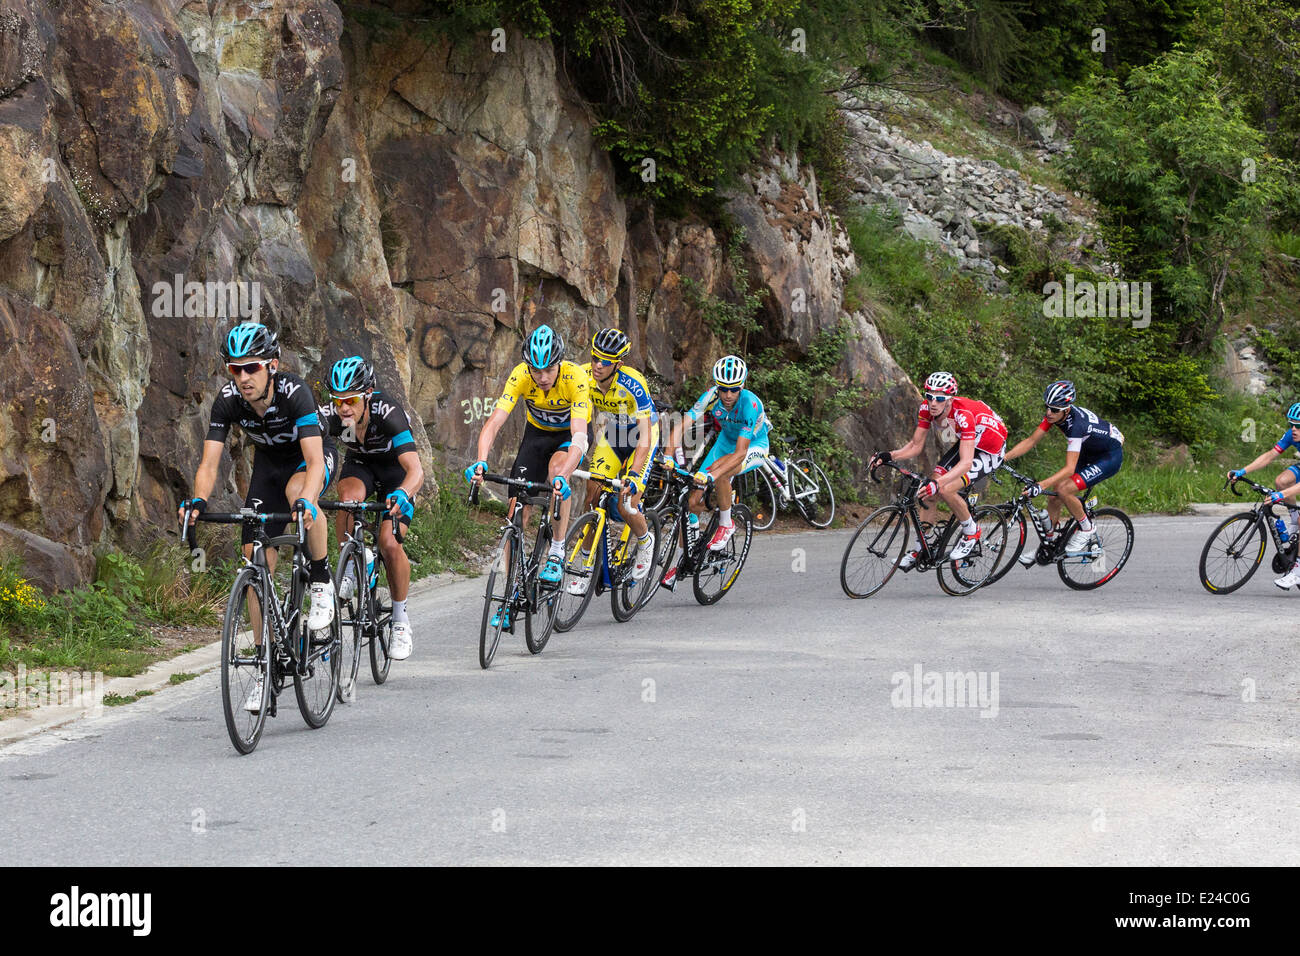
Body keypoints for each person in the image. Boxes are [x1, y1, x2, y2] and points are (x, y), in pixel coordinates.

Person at [179, 323, 337, 711]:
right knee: (253, 556)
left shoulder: (294, 392)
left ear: (273, 365)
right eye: (235, 369)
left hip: (310, 459)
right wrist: (198, 500)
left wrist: (310, 501)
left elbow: (316, 461)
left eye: (251, 368)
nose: (243, 377)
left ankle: (320, 579)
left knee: (299, 493)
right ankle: (265, 663)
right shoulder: (228, 400)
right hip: (268, 467)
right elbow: (209, 462)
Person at [464, 325, 591, 627]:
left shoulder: (576, 378)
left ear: (559, 363)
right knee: (516, 512)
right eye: (536, 370)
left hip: (567, 438)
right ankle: (512, 590)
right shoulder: (521, 375)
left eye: (548, 369)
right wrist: (481, 461)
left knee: (557, 474)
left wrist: (565, 474)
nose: (542, 376)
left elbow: (579, 437)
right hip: (535, 437)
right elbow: (494, 422)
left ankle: (558, 552)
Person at [319, 356, 424, 661]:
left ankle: (401, 621)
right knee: (347, 499)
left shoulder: (388, 413)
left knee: (389, 543)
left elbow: (415, 470)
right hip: (362, 464)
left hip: (397, 472)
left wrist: (403, 494)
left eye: (351, 400)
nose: (344, 408)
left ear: (368, 394)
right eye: (337, 401)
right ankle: (352, 559)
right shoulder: (335, 414)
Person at [870, 371, 1007, 566]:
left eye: (940, 398)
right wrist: (888, 455)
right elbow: (915, 446)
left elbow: (967, 462)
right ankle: (920, 549)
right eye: (929, 396)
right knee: (928, 492)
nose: (933, 402)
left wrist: (939, 483)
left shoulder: (963, 415)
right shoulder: (927, 408)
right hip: (969, 442)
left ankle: (971, 531)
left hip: (990, 450)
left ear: (949, 400)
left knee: (944, 487)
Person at [660, 355, 770, 587]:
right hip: (725, 442)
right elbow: (681, 425)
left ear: (742, 387)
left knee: (721, 473)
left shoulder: (750, 405)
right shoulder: (710, 397)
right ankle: (685, 561)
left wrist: (711, 473)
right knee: (691, 502)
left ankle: (726, 523)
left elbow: (739, 454)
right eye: (723, 389)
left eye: (733, 390)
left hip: (752, 446)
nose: (728, 395)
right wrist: (669, 455)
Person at [567, 328, 659, 593]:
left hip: (642, 437)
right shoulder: (582, 376)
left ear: (618, 364)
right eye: (594, 357)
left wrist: (633, 474)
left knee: (627, 502)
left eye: (604, 361)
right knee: (592, 499)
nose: (597, 365)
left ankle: (644, 541)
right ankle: (585, 566)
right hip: (614, 435)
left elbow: (644, 436)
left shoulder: (633, 383)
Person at [1004, 380, 1125, 555]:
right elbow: (1031, 441)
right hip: (1088, 451)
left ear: (1066, 410)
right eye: (1047, 407)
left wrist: (1041, 485)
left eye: (1053, 410)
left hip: (1108, 457)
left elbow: (1069, 469)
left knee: (1064, 489)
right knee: (1054, 498)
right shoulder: (1057, 414)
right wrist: (1004, 458)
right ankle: (1048, 547)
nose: (1048, 412)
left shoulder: (1076, 425)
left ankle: (1086, 527)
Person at [1228, 401, 1300, 589]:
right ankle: (1294, 519)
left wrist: (1280, 496)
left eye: (1298, 426)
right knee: (1282, 481)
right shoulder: (1291, 435)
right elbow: (1269, 456)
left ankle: (1297, 572)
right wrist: (1242, 471)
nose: (1293, 429)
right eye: (1291, 424)